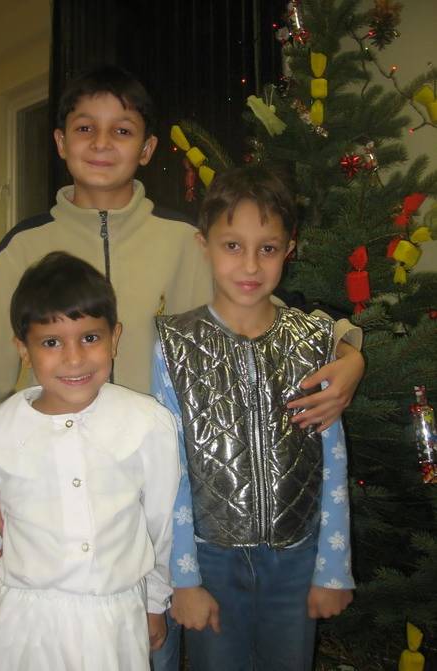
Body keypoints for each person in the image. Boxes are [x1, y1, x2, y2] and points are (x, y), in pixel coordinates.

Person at [0, 64, 363, 570]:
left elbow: (263, 306)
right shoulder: (22, 250)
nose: (101, 143)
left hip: (158, 498)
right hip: (49, 502)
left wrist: (347, 349)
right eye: (85, 128)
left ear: (147, 149)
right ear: (60, 141)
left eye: (121, 130)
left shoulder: (185, 241)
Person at [152, 165, 355, 671]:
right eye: (232, 246)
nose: (250, 265)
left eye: (267, 248)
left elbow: (332, 461)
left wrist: (333, 569)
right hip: (211, 561)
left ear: (288, 250)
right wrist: (184, 578)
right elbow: (170, 469)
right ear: (204, 245)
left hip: (296, 557)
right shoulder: (174, 344)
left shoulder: (313, 342)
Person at [0, 251, 180, 670]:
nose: (74, 358)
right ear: (23, 349)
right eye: (51, 342)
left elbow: (160, 525)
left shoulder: (147, 424)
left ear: (115, 338)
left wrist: (155, 599)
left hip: (115, 622)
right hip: (24, 627)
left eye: (89, 338)